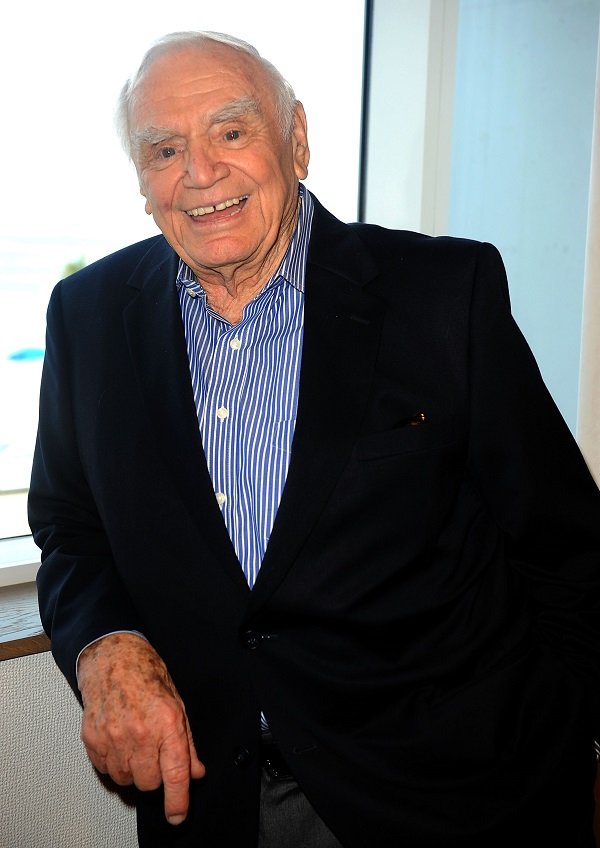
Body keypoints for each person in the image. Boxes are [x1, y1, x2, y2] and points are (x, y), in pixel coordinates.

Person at [28, 30, 600, 848]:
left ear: (296, 138)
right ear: (141, 180)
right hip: (214, 803)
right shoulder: (86, 316)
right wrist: (103, 643)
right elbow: (68, 522)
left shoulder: (443, 295)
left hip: (448, 799)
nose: (200, 174)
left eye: (231, 131)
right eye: (164, 149)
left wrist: (564, 760)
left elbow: (565, 549)